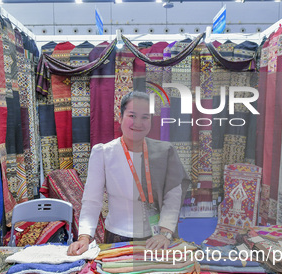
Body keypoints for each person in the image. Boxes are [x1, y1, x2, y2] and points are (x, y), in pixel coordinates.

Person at [67, 91, 190, 256]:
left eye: (145, 117)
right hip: (116, 237)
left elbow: (173, 196)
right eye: (132, 115)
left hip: (156, 237)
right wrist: (84, 237)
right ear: (121, 117)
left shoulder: (165, 152)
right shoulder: (103, 153)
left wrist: (165, 233)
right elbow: (92, 201)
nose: (138, 123)